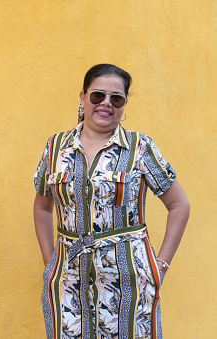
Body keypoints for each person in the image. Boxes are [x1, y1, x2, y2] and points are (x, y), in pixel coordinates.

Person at [33, 64, 190, 339]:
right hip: (68, 279)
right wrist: (51, 263)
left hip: (129, 280)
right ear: (83, 97)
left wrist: (160, 266)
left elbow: (179, 205)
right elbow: (42, 206)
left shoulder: (140, 148)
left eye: (116, 98)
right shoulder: (56, 147)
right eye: (98, 95)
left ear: (124, 104)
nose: (106, 103)